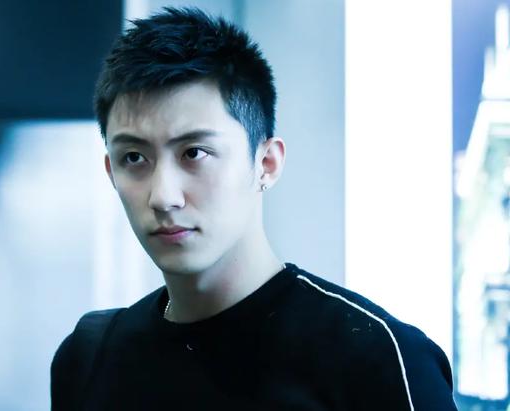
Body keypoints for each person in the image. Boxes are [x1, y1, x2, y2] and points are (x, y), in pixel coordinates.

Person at [51, 7, 457, 410]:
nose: (163, 196)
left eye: (194, 153)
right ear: (111, 171)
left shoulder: (376, 358)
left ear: (266, 163)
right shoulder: (90, 358)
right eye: (134, 158)